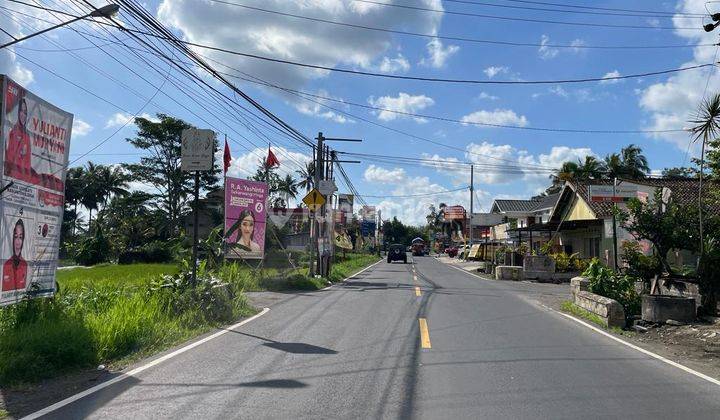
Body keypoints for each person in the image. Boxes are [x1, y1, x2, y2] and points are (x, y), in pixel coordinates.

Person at [5, 96, 33, 183]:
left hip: (24, 181)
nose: (23, 115)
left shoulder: (27, 136)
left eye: (25, 112)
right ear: (18, 112)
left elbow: (28, 163)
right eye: (21, 111)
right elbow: (9, 158)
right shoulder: (13, 132)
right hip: (12, 178)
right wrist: (21, 154)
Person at [2, 219, 28, 292]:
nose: (18, 241)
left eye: (20, 237)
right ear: (12, 238)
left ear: (23, 239)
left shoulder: (25, 264)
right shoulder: (6, 264)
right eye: (15, 236)